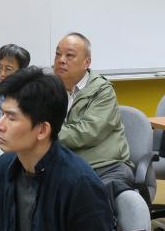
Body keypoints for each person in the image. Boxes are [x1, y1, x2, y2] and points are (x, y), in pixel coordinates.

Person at [0, 66, 115, 231]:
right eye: (1, 114)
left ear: (42, 130)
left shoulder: (79, 183)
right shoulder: (2, 168)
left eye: (11, 118)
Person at [52, 32, 135, 194]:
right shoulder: (48, 87)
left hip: (105, 166)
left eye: (69, 55)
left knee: (91, 196)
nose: (61, 60)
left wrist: (43, 135)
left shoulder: (102, 91)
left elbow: (87, 132)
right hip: (66, 163)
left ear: (86, 62)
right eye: (57, 54)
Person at [0, 43, 31, 117]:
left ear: (21, 72)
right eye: (0, 67)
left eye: (8, 69)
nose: (2, 73)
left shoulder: (29, 97)